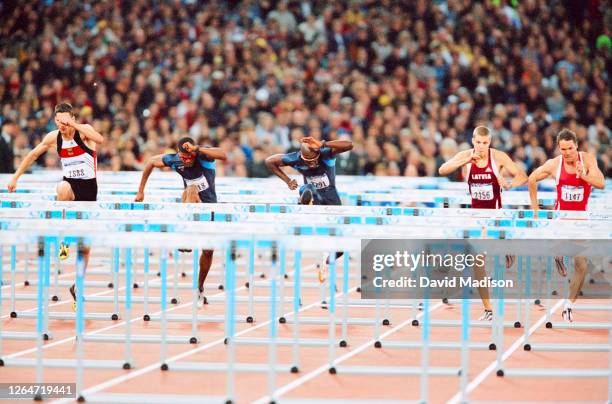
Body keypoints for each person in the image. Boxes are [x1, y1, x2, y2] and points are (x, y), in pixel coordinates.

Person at [8, 102, 104, 311]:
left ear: (72, 118)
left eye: (65, 121)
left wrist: (74, 125)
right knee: (61, 187)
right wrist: (16, 177)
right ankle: (64, 238)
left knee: (86, 248)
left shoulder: (84, 132)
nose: (61, 125)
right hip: (69, 187)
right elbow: (33, 155)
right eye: (58, 121)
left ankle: (77, 286)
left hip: (89, 191)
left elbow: (100, 139)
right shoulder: (54, 138)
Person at [439, 126, 527, 321]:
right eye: (478, 142)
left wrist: (509, 184)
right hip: (475, 217)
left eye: (485, 143)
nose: (480, 146)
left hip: (495, 215)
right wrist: (465, 160)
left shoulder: (498, 157)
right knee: (477, 261)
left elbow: (522, 176)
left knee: (480, 258)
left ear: (490, 142)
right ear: (473, 140)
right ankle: (488, 308)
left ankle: (506, 244)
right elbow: (442, 169)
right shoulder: (466, 156)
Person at [135, 137, 227, 307]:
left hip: (209, 208)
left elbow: (223, 154)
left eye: (189, 158)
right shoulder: (175, 160)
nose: (187, 161)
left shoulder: (202, 157)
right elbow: (150, 162)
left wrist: (198, 149)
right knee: (191, 189)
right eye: (183, 158)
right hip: (189, 203)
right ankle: (186, 235)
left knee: (208, 252)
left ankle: (199, 287)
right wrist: (141, 191)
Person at [528, 128, 605, 322]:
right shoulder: (554, 164)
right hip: (561, 221)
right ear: (559, 148)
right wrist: (535, 206)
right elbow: (532, 179)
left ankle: (568, 305)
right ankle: (558, 255)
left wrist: (584, 176)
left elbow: (601, 183)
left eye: (570, 148)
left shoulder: (587, 160)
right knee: (560, 252)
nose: (567, 152)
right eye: (563, 149)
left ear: (576, 146)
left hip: (581, 221)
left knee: (581, 264)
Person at [265, 136, 353, 283]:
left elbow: (349, 145)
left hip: (331, 200)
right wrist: (287, 180)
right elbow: (270, 161)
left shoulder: (326, 152)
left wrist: (324, 143)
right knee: (308, 188)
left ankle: (326, 259)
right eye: (308, 161)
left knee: (340, 248)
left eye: (314, 160)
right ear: (302, 157)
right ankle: (306, 202)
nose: (312, 165)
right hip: (312, 196)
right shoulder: (295, 158)